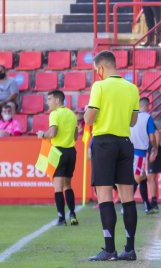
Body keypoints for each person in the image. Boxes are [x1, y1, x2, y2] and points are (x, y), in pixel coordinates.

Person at [84, 50, 139, 261]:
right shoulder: (132, 88)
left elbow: (89, 119)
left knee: (104, 195)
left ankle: (109, 249)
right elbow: (133, 122)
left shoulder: (99, 86)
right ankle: (130, 249)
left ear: (100, 68)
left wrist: (89, 111)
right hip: (125, 143)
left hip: (104, 143)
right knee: (127, 197)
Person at [36, 90, 78, 226]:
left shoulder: (54, 114)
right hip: (71, 152)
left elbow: (52, 133)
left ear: (57, 100)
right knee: (68, 185)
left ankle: (61, 218)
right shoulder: (71, 114)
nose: (47, 102)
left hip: (58, 152)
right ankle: (72, 214)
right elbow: (76, 136)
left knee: (58, 187)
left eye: (49, 99)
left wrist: (43, 134)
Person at [130, 96, 158, 214]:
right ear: (147, 106)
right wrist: (155, 148)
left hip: (129, 150)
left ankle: (147, 205)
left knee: (143, 178)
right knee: (137, 179)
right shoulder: (147, 117)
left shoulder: (131, 116)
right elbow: (152, 137)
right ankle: (126, 205)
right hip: (140, 153)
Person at [147, 126, 161, 212]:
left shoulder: (147, 119)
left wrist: (155, 150)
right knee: (149, 178)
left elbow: (157, 134)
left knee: (151, 178)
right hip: (149, 151)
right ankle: (151, 202)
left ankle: (154, 203)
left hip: (154, 151)